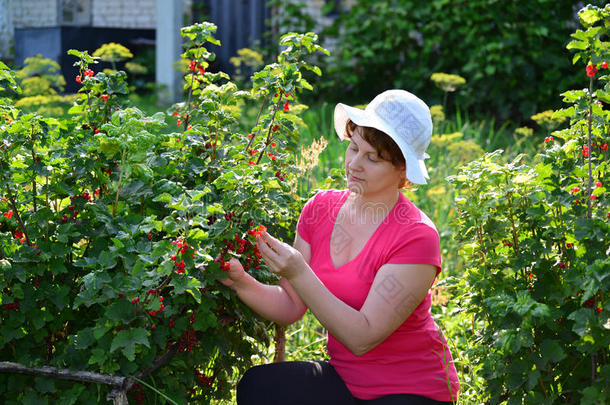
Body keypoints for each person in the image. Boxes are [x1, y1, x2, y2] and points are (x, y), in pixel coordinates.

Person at [219, 89, 460, 404]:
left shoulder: (416, 236)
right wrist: (240, 281)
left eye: (372, 158)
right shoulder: (320, 208)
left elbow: (362, 338)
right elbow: (290, 306)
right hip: (346, 381)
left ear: (403, 171)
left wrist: (299, 272)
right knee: (259, 386)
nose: (354, 165)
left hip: (412, 389)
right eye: (353, 148)